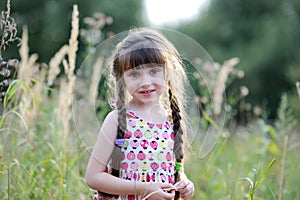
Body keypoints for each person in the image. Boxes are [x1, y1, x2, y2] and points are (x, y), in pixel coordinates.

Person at [85, 28, 194, 200]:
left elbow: (173, 170)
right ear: (121, 78)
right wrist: (143, 189)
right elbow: (93, 177)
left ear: (168, 71)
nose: (145, 82)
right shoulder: (117, 121)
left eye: (154, 71)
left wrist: (185, 184)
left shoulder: (173, 121)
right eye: (134, 74)